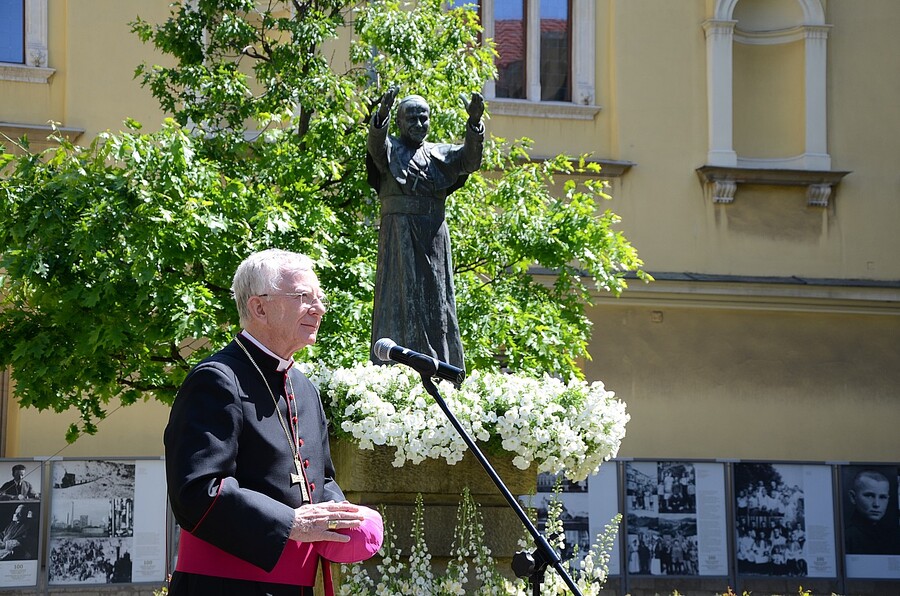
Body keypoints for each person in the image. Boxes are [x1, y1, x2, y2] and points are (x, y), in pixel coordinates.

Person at [165, 249, 381, 596]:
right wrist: (289, 523)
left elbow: (320, 479)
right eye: (303, 297)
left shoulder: (304, 387)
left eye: (319, 298)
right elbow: (196, 491)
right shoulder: (217, 380)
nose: (319, 308)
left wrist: (344, 516)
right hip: (224, 587)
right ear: (259, 308)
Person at [366, 85, 485, 370]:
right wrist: (381, 114)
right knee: (399, 299)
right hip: (399, 236)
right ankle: (395, 366)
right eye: (412, 118)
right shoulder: (390, 150)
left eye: (424, 118)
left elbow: (470, 159)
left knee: (437, 302)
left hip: (433, 237)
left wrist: (474, 124)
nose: (419, 124)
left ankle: (441, 366)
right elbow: (376, 147)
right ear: (399, 122)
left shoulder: (441, 154)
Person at [844, 469, 900, 555]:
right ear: (853, 497)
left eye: (882, 497)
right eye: (869, 496)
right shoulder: (847, 537)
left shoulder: (892, 535)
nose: (876, 504)